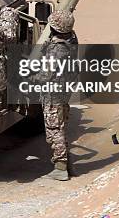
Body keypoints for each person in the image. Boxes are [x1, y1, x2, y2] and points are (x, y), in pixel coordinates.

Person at [40, 10, 78, 181]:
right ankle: (67, 164)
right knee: (60, 126)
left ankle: (60, 168)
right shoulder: (72, 40)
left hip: (53, 93)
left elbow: (46, 75)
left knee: (54, 129)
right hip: (64, 90)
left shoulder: (58, 50)